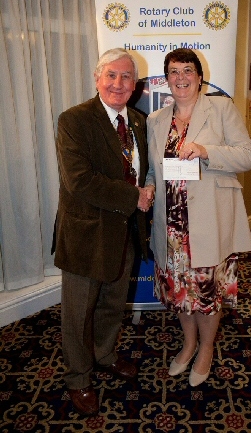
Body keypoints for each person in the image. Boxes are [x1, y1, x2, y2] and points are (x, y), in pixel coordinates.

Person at [144, 48, 251, 387]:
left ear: (199, 75)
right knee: (180, 292)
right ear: (167, 79)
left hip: (209, 223)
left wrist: (206, 151)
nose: (181, 77)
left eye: (187, 70)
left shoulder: (221, 109)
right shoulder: (156, 120)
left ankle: (205, 347)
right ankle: (188, 342)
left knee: (206, 293)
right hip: (172, 226)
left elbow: (247, 156)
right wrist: (148, 188)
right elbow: (153, 170)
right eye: (174, 71)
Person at [53, 48, 152, 416]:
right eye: (111, 75)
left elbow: (141, 171)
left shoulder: (139, 122)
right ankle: (79, 378)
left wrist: (149, 189)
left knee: (113, 303)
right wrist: (135, 197)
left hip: (126, 230)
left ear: (135, 85)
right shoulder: (74, 120)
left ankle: (105, 354)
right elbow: (80, 181)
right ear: (97, 78)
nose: (118, 83)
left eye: (126, 77)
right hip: (86, 234)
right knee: (78, 314)